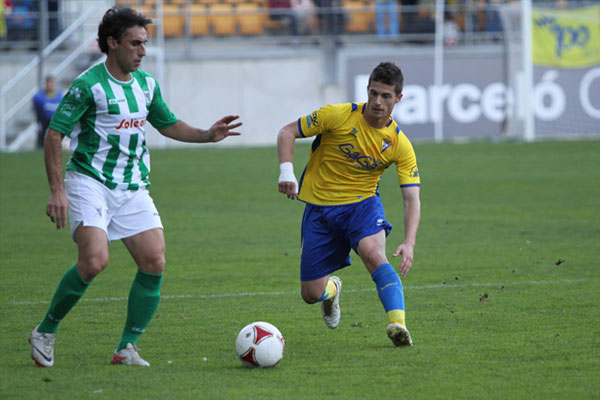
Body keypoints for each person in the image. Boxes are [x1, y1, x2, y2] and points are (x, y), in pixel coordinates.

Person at [28, 7, 242, 368]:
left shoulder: (146, 85)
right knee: (95, 261)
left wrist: (207, 135)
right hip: (89, 182)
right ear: (111, 43)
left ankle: (126, 347)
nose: (142, 51)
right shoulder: (88, 86)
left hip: (132, 187)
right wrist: (57, 191)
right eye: (135, 43)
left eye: (145, 43)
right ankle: (45, 331)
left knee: (154, 260)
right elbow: (54, 134)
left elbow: (167, 123)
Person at [277, 61, 421, 346]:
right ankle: (332, 291)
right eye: (374, 93)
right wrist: (286, 172)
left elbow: (411, 197)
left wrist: (409, 242)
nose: (378, 102)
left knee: (373, 253)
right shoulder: (337, 115)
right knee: (310, 293)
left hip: (362, 206)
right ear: (367, 90)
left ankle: (398, 325)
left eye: (386, 96)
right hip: (320, 210)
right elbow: (287, 132)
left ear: (398, 99)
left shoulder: (399, 143)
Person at [32, 75, 63, 149]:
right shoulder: (39, 97)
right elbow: (37, 109)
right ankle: (40, 147)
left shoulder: (60, 96)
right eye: (48, 83)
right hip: (44, 120)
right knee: (42, 134)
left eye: (51, 83)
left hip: (56, 121)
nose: (50, 85)